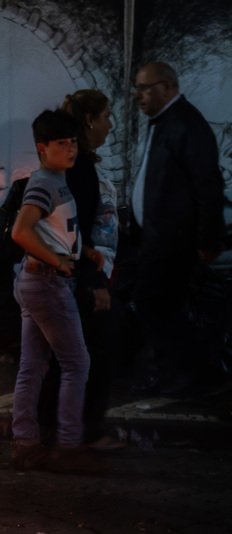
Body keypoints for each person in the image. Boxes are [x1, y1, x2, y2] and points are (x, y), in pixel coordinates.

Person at [9, 109, 107, 475]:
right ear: (41, 148)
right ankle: (67, 446)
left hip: (37, 281)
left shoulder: (56, 180)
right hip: (47, 282)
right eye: (61, 143)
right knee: (76, 363)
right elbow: (21, 231)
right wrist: (58, 261)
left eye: (73, 142)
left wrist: (83, 252)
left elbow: (57, 228)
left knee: (32, 366)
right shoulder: (44, 183)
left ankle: (25, 445)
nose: (70, 149)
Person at [129, 61, 225, 397]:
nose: (138, 96)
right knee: (157, 306)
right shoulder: (167, 123)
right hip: (159, 236)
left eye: (145, 87)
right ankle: (174, 371)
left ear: (167, 86)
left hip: (174, 240)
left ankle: (181, 374)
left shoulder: (186, 125)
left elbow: (208, 186)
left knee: (157, 306)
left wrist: (208, 239)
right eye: (137, 88)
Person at [39, 89, 123, 450]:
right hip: (79, 279)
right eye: (106, 116)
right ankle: (77, 434)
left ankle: (54, 434)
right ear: (90, 120)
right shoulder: (81, 169)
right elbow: (79, 232)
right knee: (85, 358)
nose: (110, 124)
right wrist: (95, 282)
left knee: (64, 359)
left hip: (74, 276)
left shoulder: (77, 165)